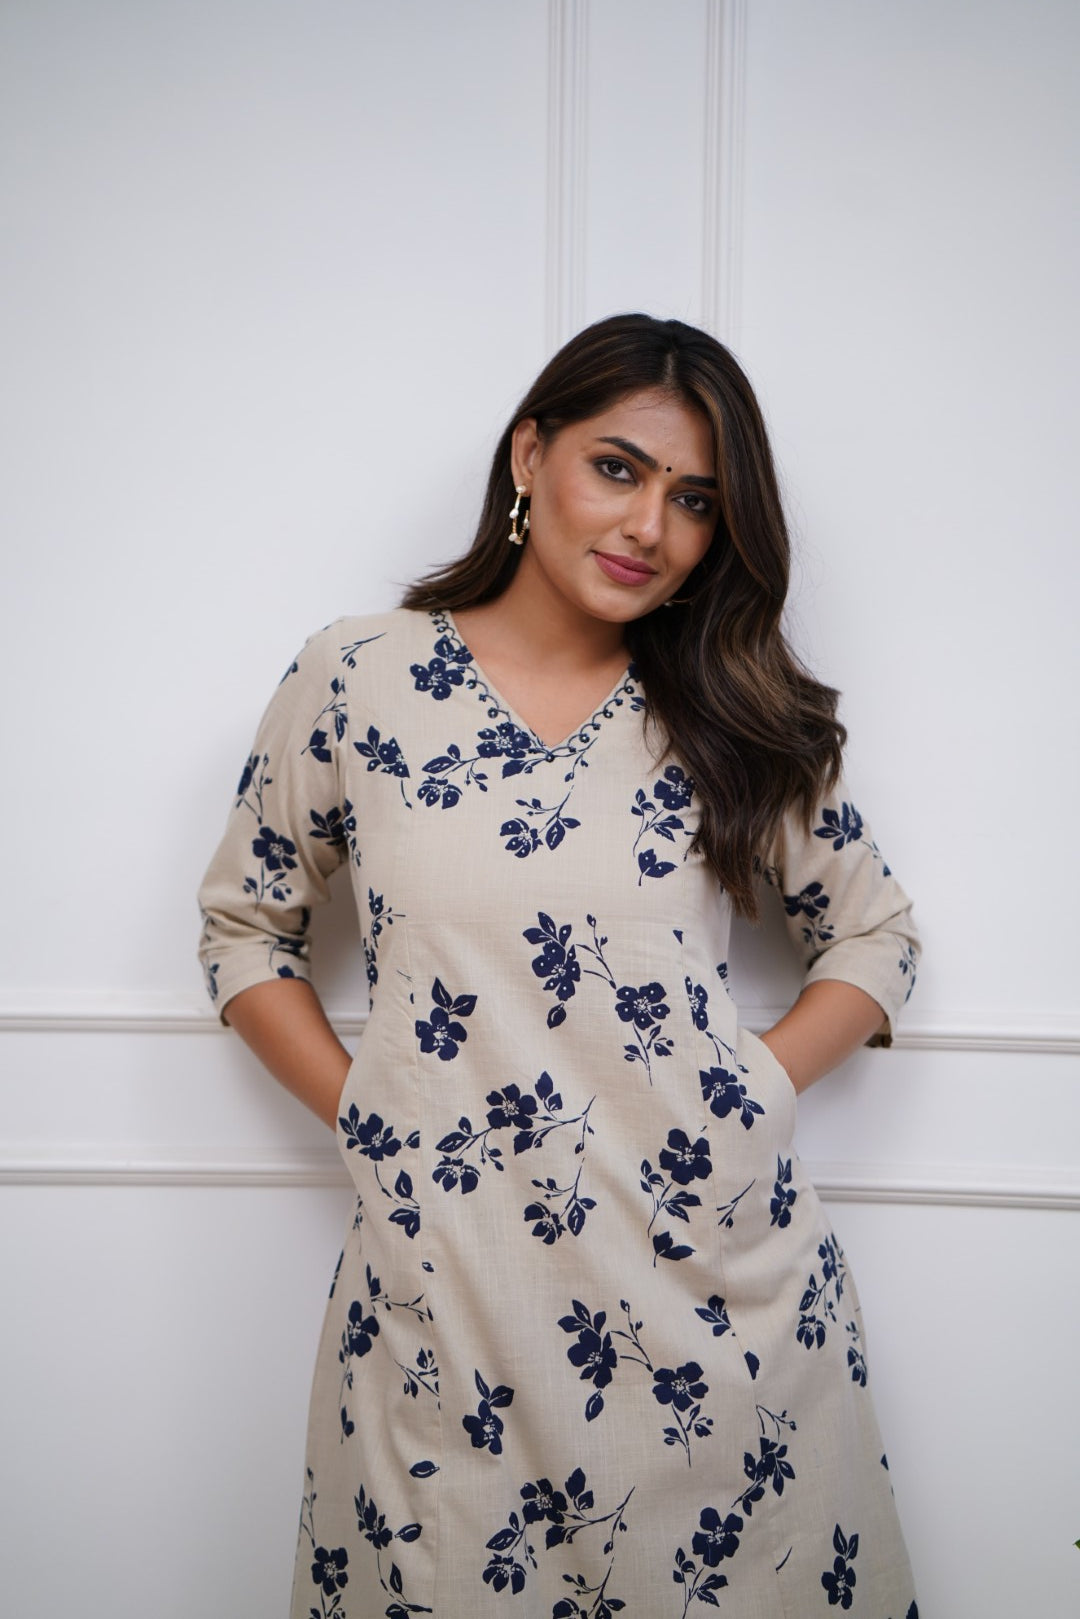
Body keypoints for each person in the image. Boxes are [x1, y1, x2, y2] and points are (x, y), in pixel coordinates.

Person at [198, 313, 920, 1618]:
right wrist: (369, 1114)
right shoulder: (362, 675)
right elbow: (246, 925)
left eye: (695, 500)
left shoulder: (728, 705)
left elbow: (875, 932)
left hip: (711, 1300)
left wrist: (749, 1092)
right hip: (447, 1288)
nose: (650, 526)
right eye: (618, 469)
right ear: (530, 455)